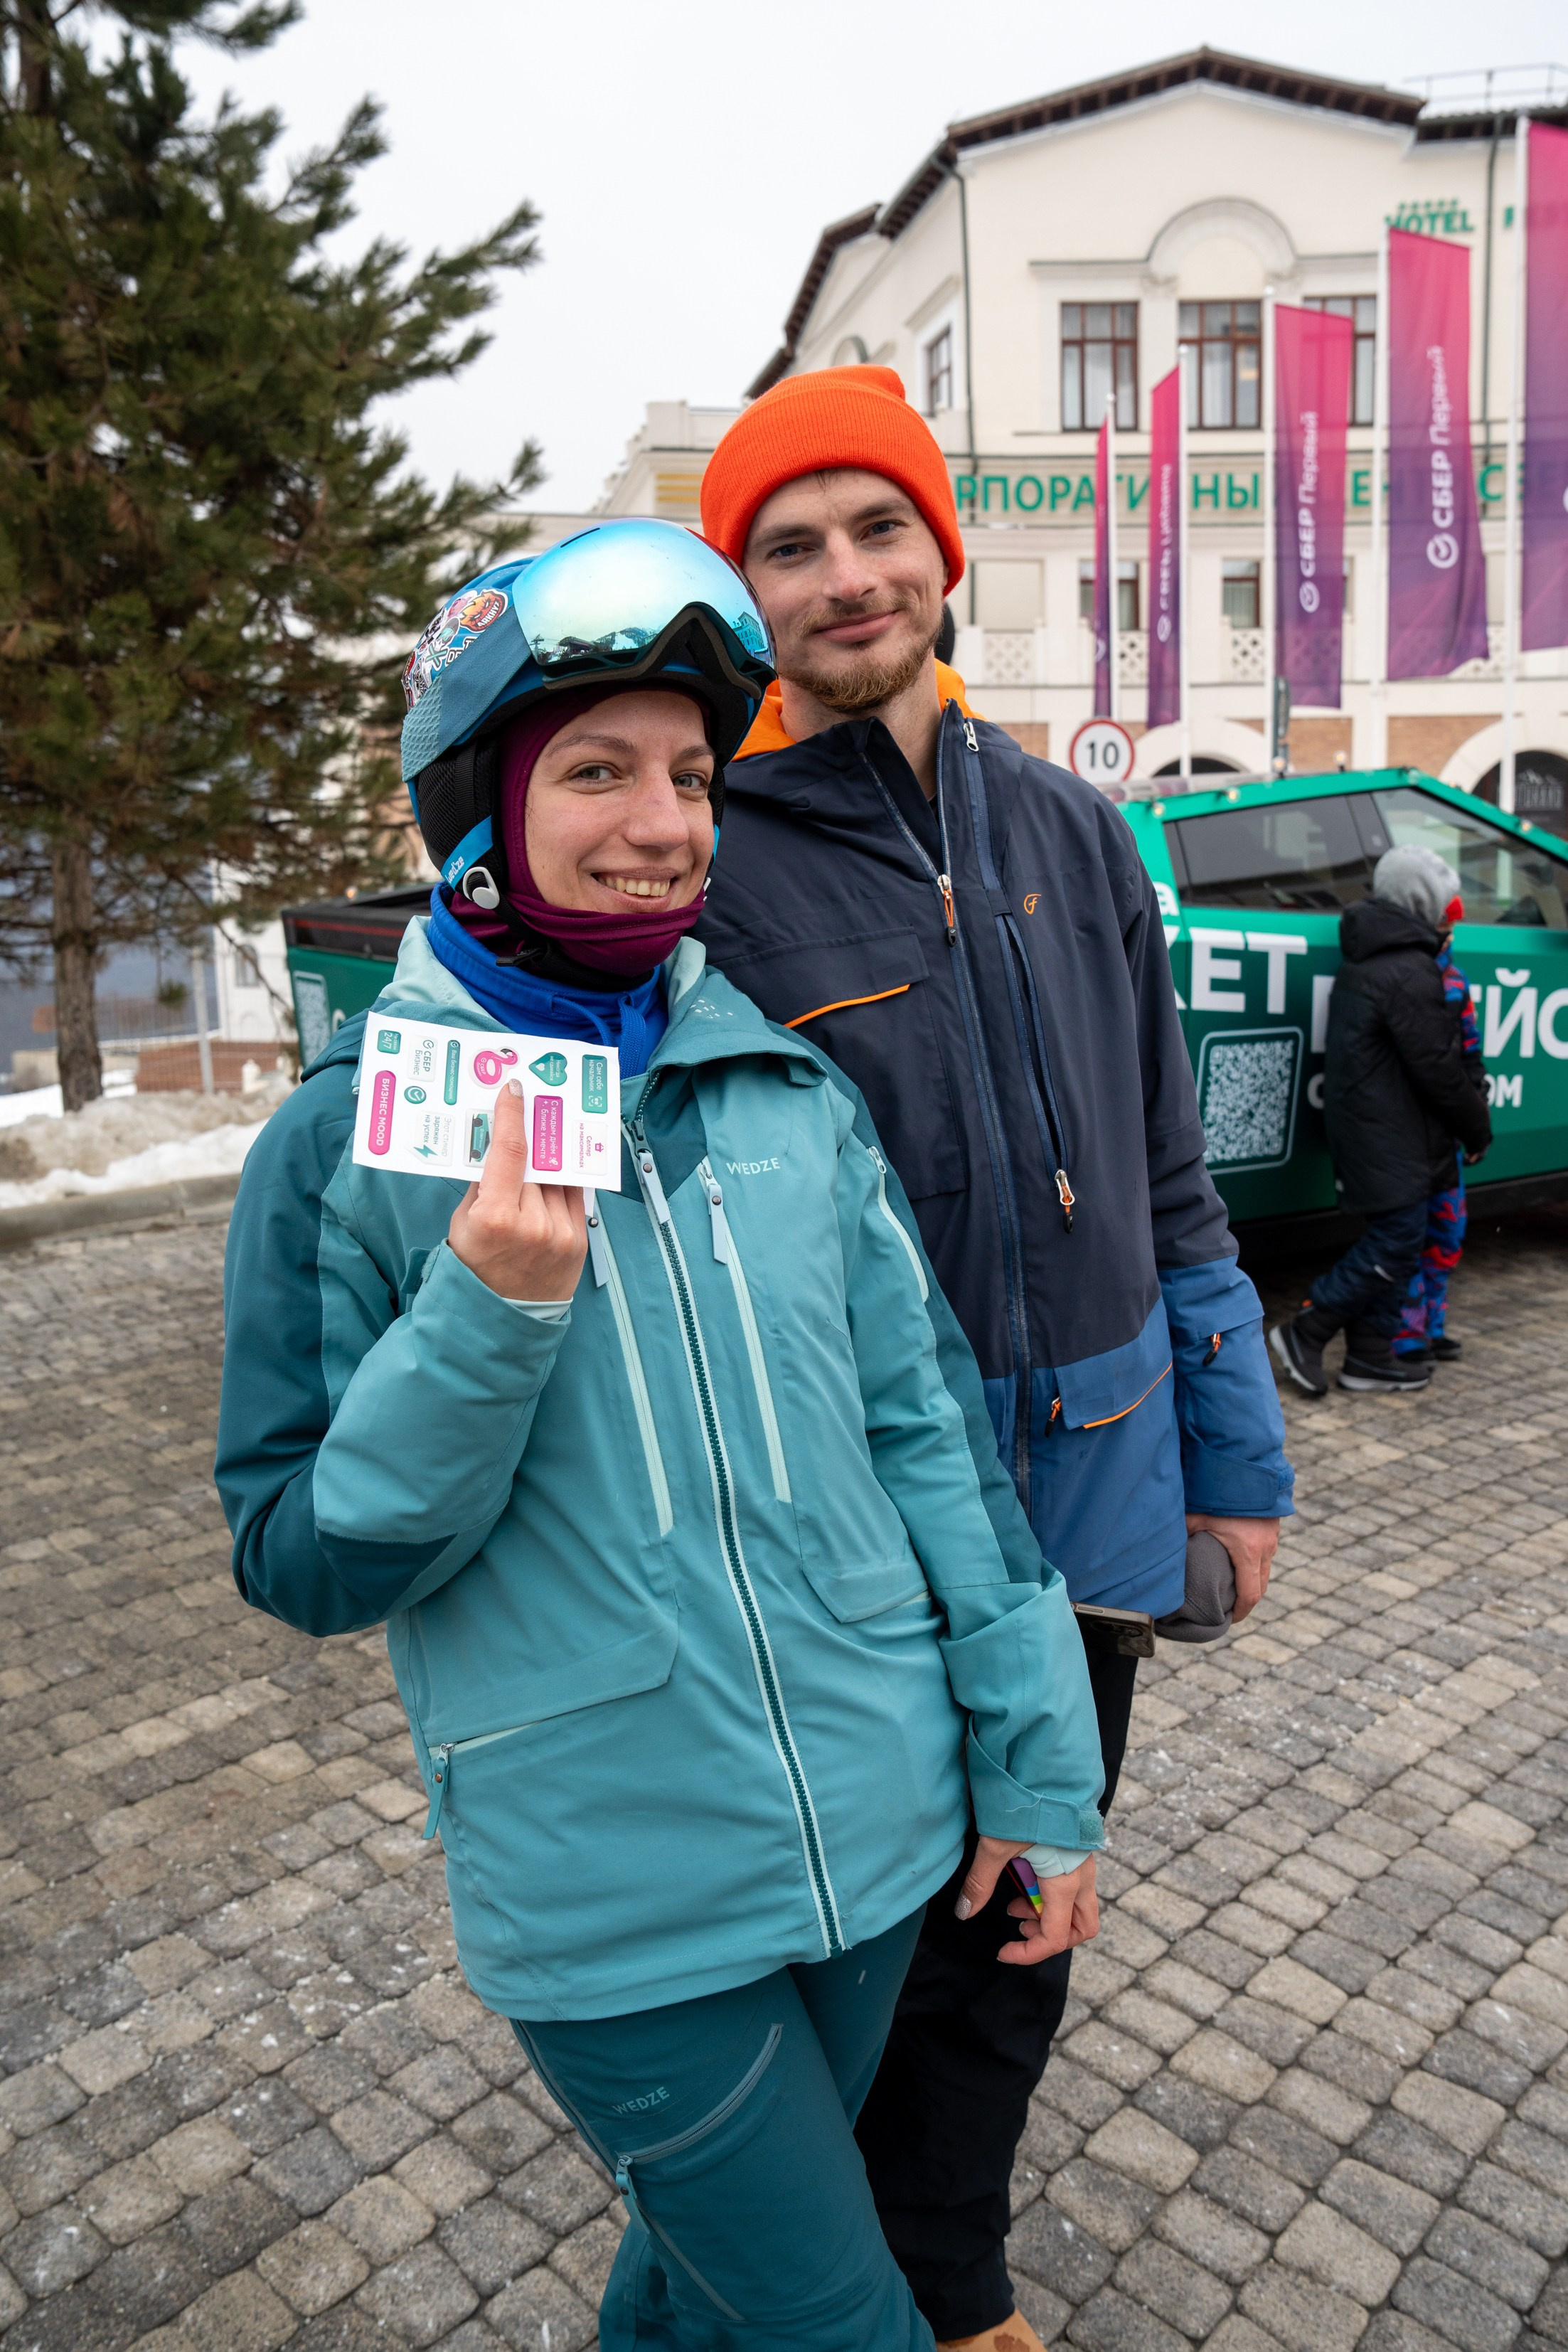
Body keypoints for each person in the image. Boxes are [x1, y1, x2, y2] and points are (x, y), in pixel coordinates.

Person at [215, 520, 1109, 2352]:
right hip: (619, 1912)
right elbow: (304, 1557)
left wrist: (1038, 1771)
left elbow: (932, 1446)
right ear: (484, 810)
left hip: (879, 1848)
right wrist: (486, 1317)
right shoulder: (347, 1139)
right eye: (598, 771)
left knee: (703, 2288)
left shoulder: (787, 1087)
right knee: (836, 2318)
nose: (663, 822)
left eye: (693, 777)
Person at [693, 368, 1294, 2352]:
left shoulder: (1073, 829)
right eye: (791, 547)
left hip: (1097, 1500)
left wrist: (1237, 1452)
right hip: (860, 1536)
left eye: (880, 528)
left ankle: (948, 2285)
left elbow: (1169, 1171)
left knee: (1025, 1917)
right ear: (748, 596)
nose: (845, 576)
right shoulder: (711, 865)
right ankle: (832, 2277)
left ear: (942, 554)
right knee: (868, 1944)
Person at [1272, 841, 1490, 1398]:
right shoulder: (1406, 971)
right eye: (1443, 905)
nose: (1449, 919)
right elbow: (1439, 1069)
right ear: (1420, 904)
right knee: (1395, 1243)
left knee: (1403, 1239)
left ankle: (1369, 1356)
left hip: (1387, 1133)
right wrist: (1476, 1127)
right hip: (1386, 1137)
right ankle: (1307, 1328)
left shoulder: (1382, 959)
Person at [1392, 925, 1481, 1367]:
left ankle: (1433, 1327)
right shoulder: (1402, 978)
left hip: (1446, 1139)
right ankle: (1407, 1336)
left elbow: (1471, 1057)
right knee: (1409, 1235)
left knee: (1447, 1234)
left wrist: (1476, 1120)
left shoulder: (1456, 983)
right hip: (1407, 1136)